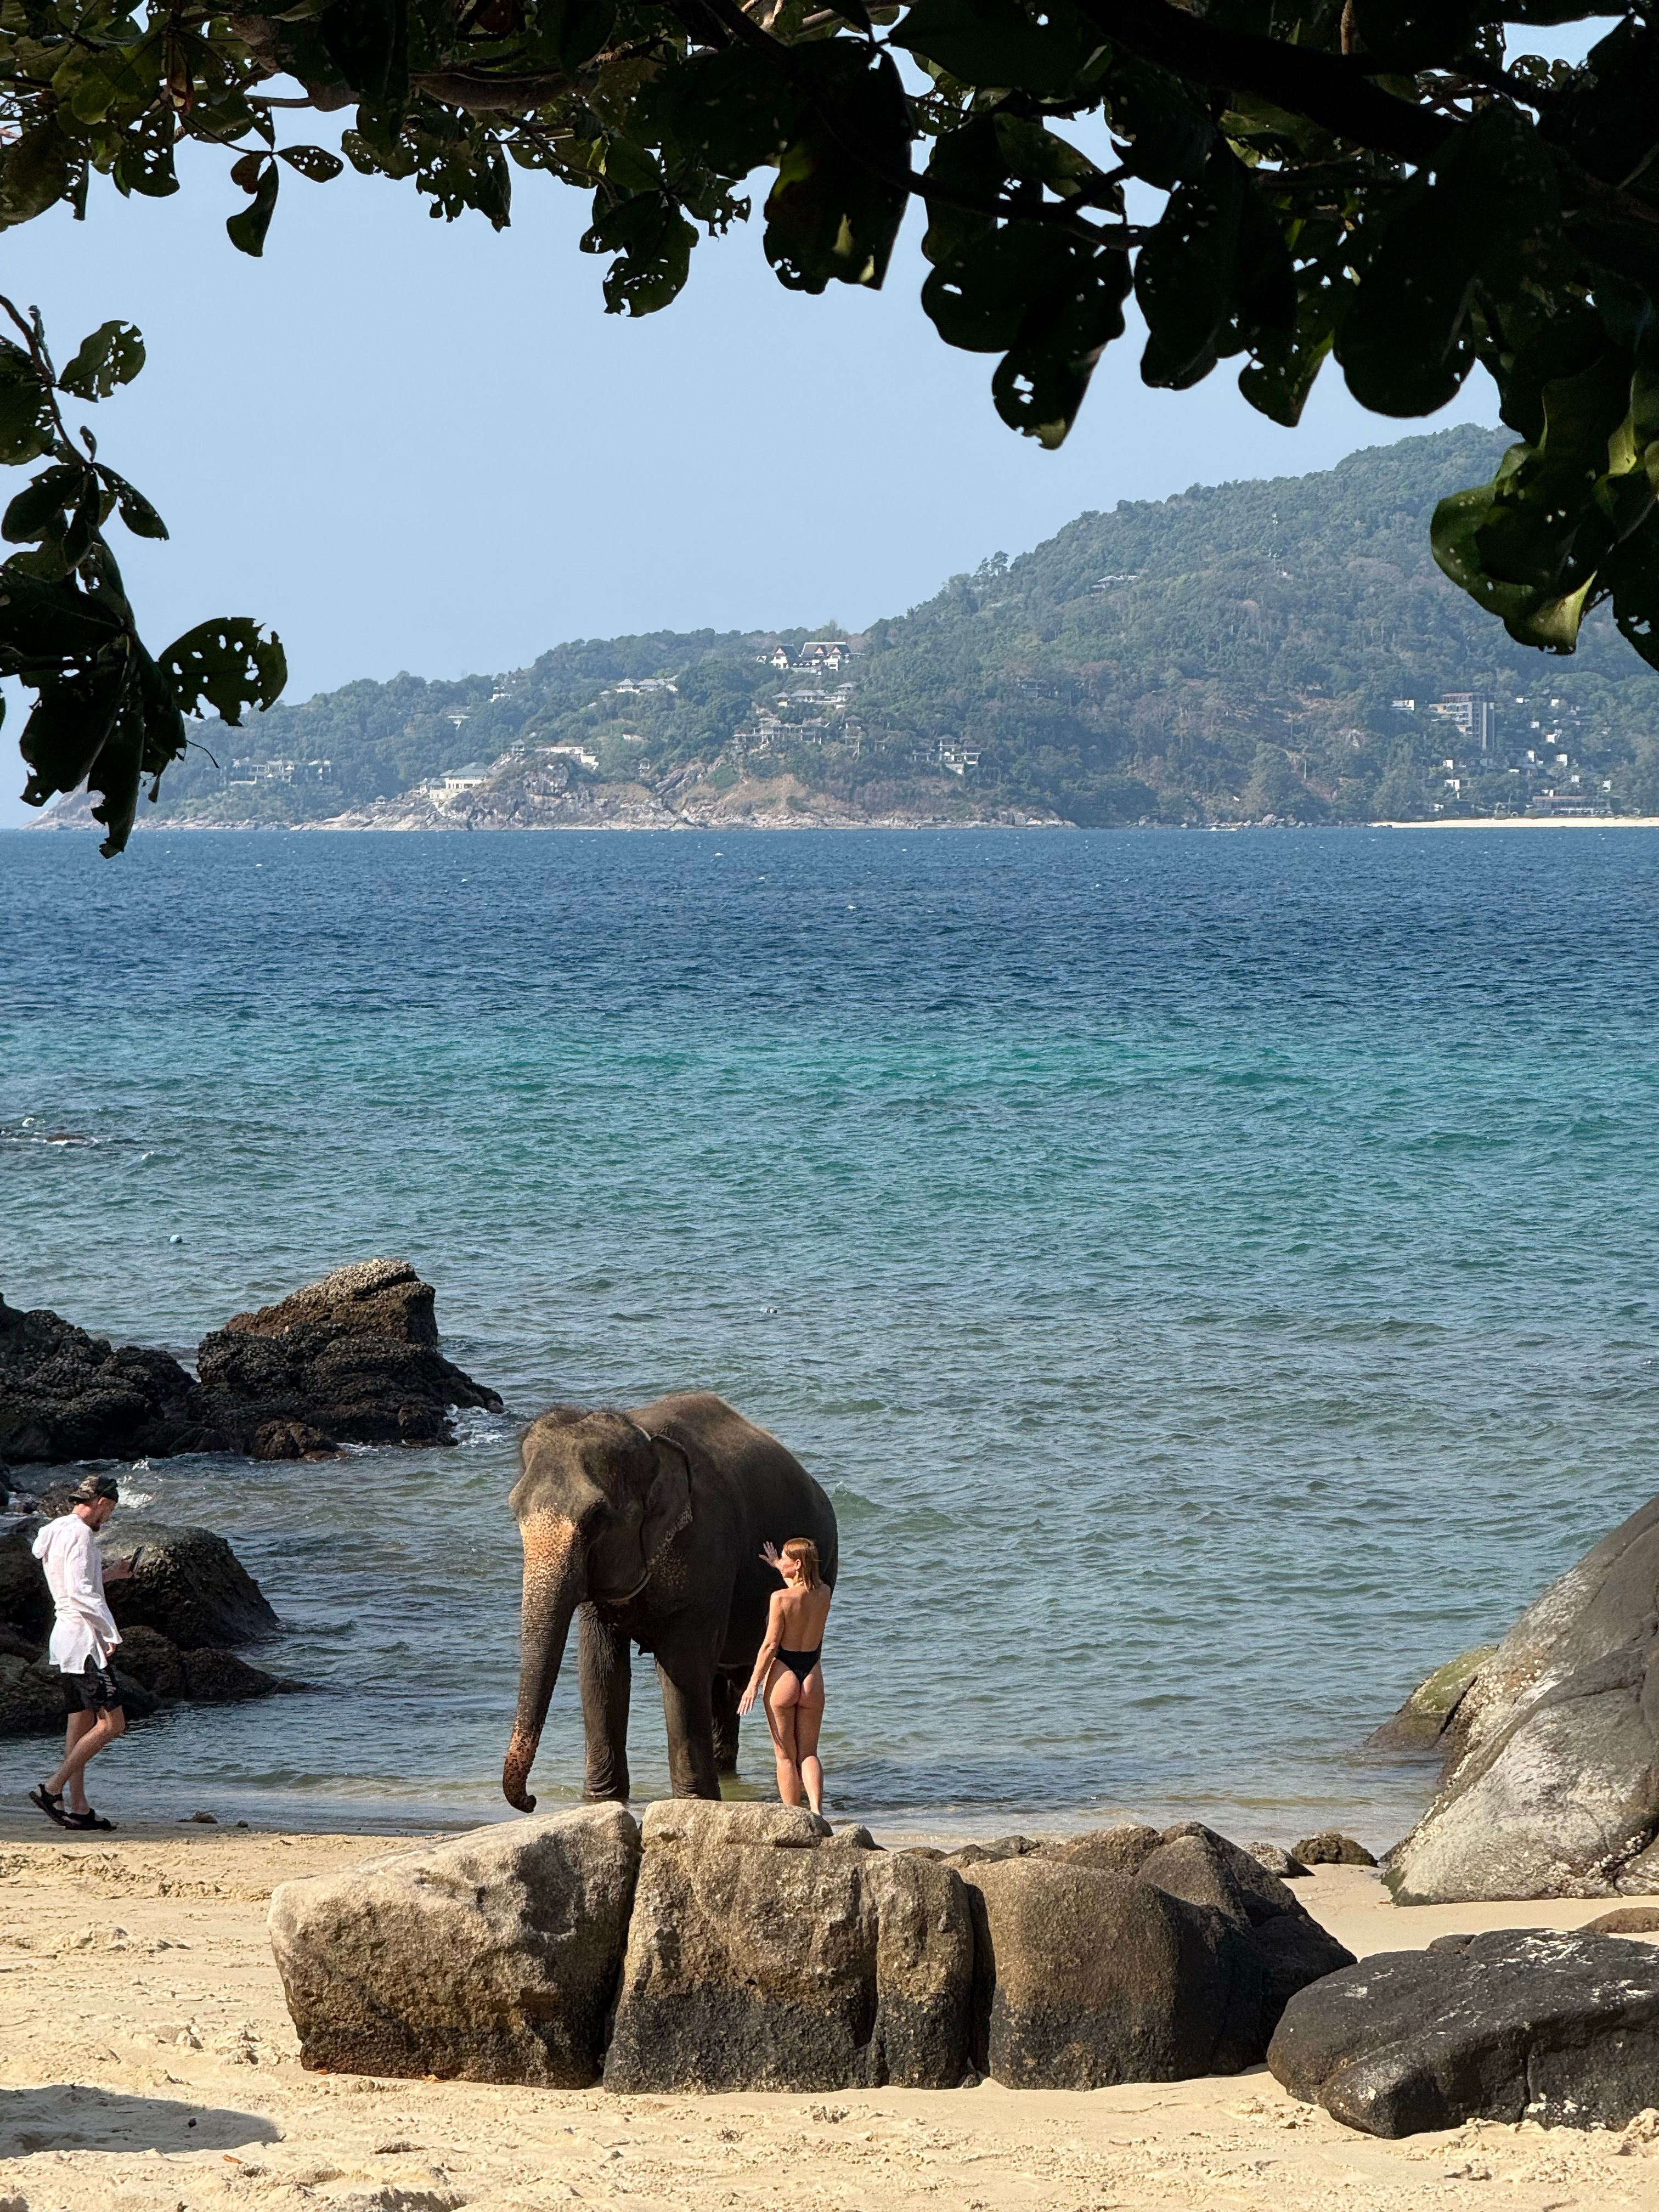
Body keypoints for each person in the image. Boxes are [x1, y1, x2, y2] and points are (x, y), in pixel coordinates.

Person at [28, 1474, 135, 1831]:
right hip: (84, 1640)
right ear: (102, 1503)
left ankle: (78, 1806)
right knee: (113, 1724)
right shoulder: (82, 1535)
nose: (109, 1518)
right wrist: (110, 1631)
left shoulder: (56, 1529)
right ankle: (52, 1788)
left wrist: (111, 1573)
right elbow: (80, 1593)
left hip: (63, 1638)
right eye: (111, 1510)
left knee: (81, 1719)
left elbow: (71, 1581)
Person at [738, 1537, 832, 1816]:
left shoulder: (778, 1599)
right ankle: (816, 1810)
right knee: (809, 1754)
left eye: (786, 1559)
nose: (782, 1561)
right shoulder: (825, 1593)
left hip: (784, 1675)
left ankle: (794, 1817)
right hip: (812, 1674)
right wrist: (780, 1566)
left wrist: (752, 1685)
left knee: (785, 1756)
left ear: (799, 1564)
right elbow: (802, 1591)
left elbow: (769, 1646)